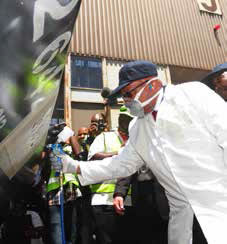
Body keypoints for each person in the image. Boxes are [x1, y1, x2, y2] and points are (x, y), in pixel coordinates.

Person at [51, 60, 227, 244]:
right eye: (124, 96)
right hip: (183, 222)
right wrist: (75, 167)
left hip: (219, 206)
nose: (126, 100)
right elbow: (121, 164)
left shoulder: (192, 94)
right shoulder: (138, 127)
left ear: (153, 84)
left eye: (129, 93)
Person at [88, 106, 134, 244]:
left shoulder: (135, 141)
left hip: (128, 201)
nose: (128, 123)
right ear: (120, 119)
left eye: (131, 120)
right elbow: (93, 157)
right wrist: (118, 153)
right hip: (104, 201)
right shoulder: (105, 137)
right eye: (125, 119)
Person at [46, 126, 81, 244]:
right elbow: (55, 165)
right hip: (55, 189)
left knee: (71, 224)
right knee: (56, 225)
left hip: (70, 188)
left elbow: (79, 153)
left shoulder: (71, 148)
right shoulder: (52, 147)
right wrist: (53, 142)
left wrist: (71, 134)